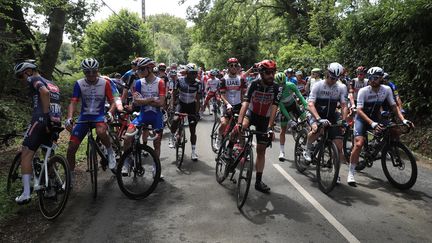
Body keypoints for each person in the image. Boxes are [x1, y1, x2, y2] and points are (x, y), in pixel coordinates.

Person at [349, 67, 413, 183]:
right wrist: (372, 123)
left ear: (381, 78)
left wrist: (403, 120)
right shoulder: (364, 91)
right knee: (359, 144)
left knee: (394, 129)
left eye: (376, 78)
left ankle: (384, 147)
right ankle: (351, 172)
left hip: (376, 117)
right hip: (362, 118)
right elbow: (359, 111)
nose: (372, 80)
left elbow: (394, 107)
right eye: (370, 78)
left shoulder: (386, 89)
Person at [13, 60, 62, 204]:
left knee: (26, 152)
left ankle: (26, 193)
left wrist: (45, 117)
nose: (22, 80)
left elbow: (44, 93)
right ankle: (51, 188)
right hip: (56, 121)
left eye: (21, 76)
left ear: (28, 71)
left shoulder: (34, 79)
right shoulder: (52, 83)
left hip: (42, 120)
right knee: (47, 155)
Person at [65, 58, 117, 183]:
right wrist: (69, 117)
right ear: (84, 72)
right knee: (71, 147)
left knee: (100, 131)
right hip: (84, 117)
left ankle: (110, 152)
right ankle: (70, 176)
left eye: (94, 71)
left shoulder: (105, 83)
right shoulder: (79, 83)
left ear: (97, 70)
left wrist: (110, 113)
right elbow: (73, 102)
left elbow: (112, 102)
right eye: (88, 72)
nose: (91, 74)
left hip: (98, 116)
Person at [232, 59, 281, 193]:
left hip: (264, 119)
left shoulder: (276, 87)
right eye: (268, 73)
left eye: (273, 72)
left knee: (261, 150)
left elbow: (274, 108)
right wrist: (239, 123)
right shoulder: (254, 84)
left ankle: (258, 182)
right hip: (251, 114)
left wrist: (270, 128)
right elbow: (245, 104)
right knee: (239, 128)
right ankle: (230, 149)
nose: (271, 75)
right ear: (261, 73)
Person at [303, 62, 348, 181]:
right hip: (315, 113)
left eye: (336, 78)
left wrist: (343, 120)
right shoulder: (318, 85)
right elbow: (310, 104)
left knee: (338, 146)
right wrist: (318, 119)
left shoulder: (341, 87)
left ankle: (335, 173)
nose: (333, 80)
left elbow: (343, 105)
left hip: (331, 115)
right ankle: (307, 149)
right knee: (317, 129)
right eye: (332, 77)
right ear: (327, 74)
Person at [122, 58, 166, 175]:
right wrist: (152, 99)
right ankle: (127, 162)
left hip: (157, 116)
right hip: (143, 115)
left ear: (150, 68)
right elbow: (136, 102)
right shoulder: (138, 83)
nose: (139, 71)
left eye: (142, 69)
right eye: (139, 69)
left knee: (157, 143)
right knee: (127, 137)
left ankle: (156, 167)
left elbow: (161, 103)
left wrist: (144, 100)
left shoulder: (160, 82)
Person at [169, 63, 202, 160]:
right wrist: (172, 106)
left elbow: (198, 99)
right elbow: (174, 94)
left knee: (193, 129)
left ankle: (193, 152)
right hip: (181, 104)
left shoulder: (198, 83)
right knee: (175, 120)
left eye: (195, 73)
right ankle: (171, 137)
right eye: (192, 73)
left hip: (191, 105)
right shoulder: (179, 80)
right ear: (187, 73)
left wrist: (197, 113)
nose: (194, 75)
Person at [274, 72, 308, 161]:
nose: (282, 85)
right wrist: (289, 120)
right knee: (283, 130)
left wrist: (306, 105)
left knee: (306, 119)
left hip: (293, 105)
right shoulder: (276, 90)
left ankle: (307, 141)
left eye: (283, 83)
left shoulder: (291, 85)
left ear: (286, 81)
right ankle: (282, 152)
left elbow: (299, 96)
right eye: (280, 84)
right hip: (284, 108)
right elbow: (281, 107)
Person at [216, 58, 247, 149]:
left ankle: (243, 149)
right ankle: (218, 138)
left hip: (238, 105)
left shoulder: (241, 79)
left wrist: (244, 104)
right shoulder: (223, 79)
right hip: (227, 104)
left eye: (235, 65)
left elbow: (242, 93)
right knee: (224, 123)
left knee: (241, 128)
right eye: (231, 65)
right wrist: (228, 104)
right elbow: (222, 95)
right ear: (228, 67)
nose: (234, 67)